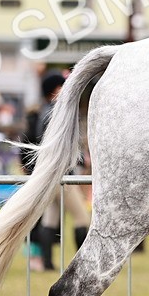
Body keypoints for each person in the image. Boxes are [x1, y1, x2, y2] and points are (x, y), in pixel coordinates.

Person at [30, 71, 93, 270]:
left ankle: (47, 263)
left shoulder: (43, 112)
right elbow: (67, 145)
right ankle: (82, 264)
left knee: (51, 218)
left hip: (49, 173)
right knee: (82, 217)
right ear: (55, 89)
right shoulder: (58, 112)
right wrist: (81, 160)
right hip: (63, 174)